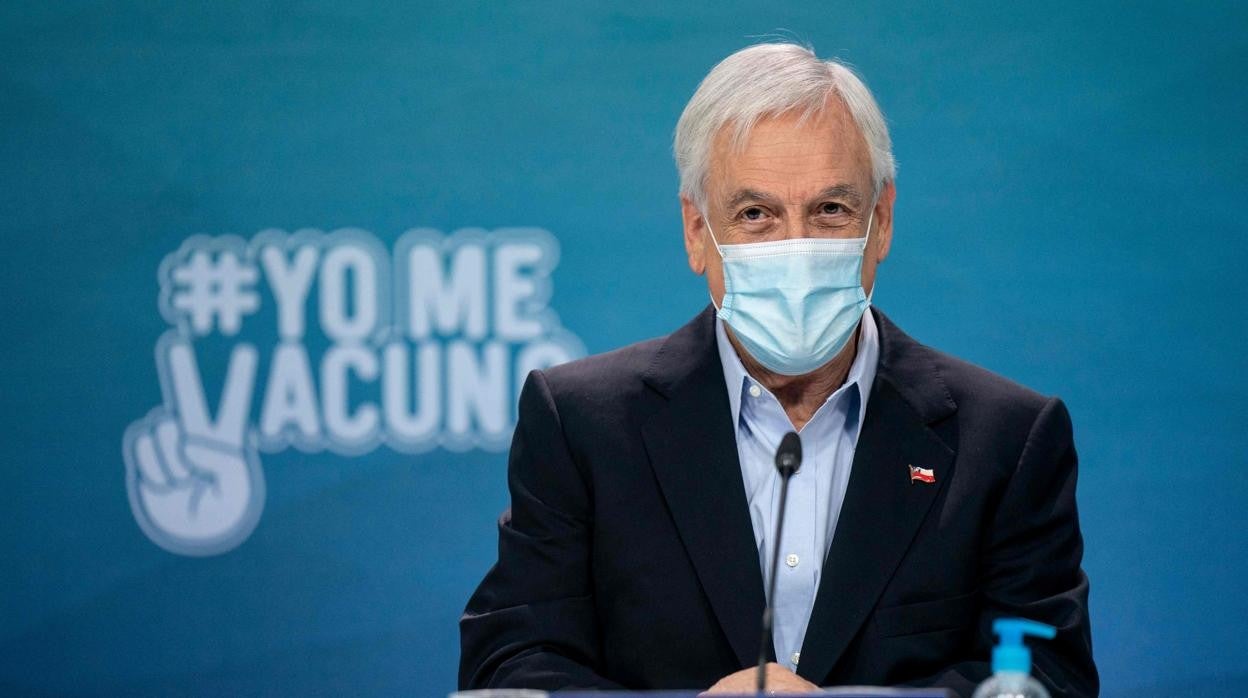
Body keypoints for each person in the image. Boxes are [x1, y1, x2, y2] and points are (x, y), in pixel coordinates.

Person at [459, 42, 1097, 697]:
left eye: (830, 210)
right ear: (696, 232)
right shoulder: (581, 426)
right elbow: (512, 667)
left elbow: (1050, 680)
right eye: (756, 215)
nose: (795, 248)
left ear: (880, 222)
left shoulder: (1007, 439)